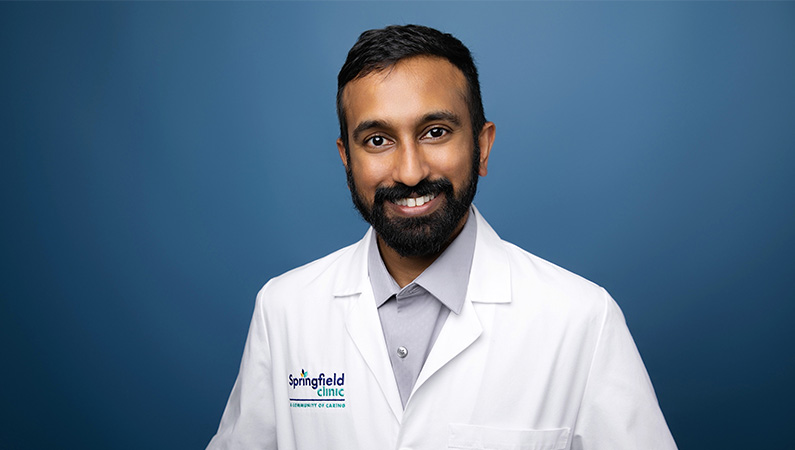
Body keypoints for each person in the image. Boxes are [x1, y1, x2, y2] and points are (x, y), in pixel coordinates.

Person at [207, 24, 677, 450]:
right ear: (346, 158)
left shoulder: (582, 321)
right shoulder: (285, 309)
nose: (410, 172)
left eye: (435, 132)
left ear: (482, 145)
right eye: (377, 140)